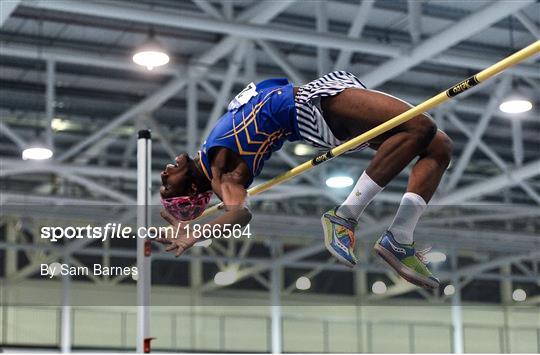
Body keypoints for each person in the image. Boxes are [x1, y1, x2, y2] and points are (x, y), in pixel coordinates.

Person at [157, 71, 453, 289]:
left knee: (439, 146)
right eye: (166, 184)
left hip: (317, 101)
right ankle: (345, 216)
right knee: (419, 126)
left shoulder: (209, 154)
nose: (164, 173)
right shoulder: (223, 175)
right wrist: (197, 232)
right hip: (312, 109)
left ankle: (400, 238)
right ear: (194, 188)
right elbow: (239, 212)